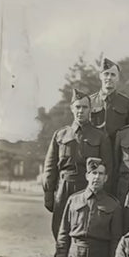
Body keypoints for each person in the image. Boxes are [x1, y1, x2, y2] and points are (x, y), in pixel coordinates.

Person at [41, 88, 112, 243]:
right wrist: (48, 193)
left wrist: (102, 193)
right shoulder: (61, 135)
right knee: (60, 224)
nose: (81, 111)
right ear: (72, 109)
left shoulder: (100, 136)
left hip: (88, 186)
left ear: (90, 109)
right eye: (78, 107)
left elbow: (107, 167)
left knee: (85, 224)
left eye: (84, 107)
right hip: (65, 186)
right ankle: (60, 254)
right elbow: (50, 167)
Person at [90, 56, 129, 141]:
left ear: (117, 78)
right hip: (95, 147)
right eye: (106, 74)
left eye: (113, 75)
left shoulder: (127, 103)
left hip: (117, 147)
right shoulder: (90, 102)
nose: (109, 78)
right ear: (100, 76)